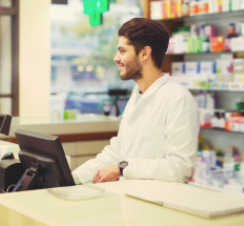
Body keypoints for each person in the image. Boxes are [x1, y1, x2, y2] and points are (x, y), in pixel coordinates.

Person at [72, 17, 199, 184]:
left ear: (145, 53)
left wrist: (123, 168)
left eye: (123, 51)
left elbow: (180, 168)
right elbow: (118, 151)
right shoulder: (137, 94)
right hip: (130, 196)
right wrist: (72, 178)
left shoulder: (178, 98)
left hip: (158, 203)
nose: (116, 58)